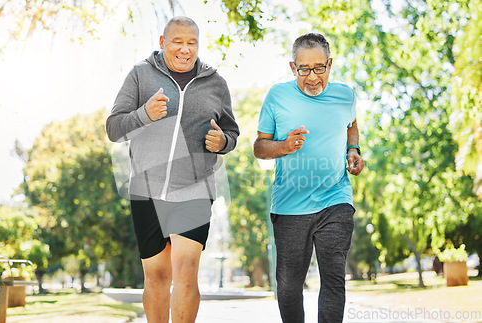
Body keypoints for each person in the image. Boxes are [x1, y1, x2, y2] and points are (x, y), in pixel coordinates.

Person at [106, 16, 239, 323]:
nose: (184, 49)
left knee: (186, 271)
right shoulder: (140, 75)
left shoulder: (216, 83)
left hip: (196, 187)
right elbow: (114, 128)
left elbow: (231, 134)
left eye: (191, 43)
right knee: (157, 276)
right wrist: (143, 115)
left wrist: (222, 142)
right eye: (177, 42)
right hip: (146, 189)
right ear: (163, 43)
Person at [253, 32, 365, 323]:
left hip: (335, 199)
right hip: (290, 206)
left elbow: (352, 125)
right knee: (289, 286)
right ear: (293, 68)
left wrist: (353, 149)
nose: (312, 76)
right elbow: (259, 147)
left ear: (330, 64)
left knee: (333, 280)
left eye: (319, 67)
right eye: (304, 69)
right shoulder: (278, 96)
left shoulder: (345, 95)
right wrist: (284, 146)